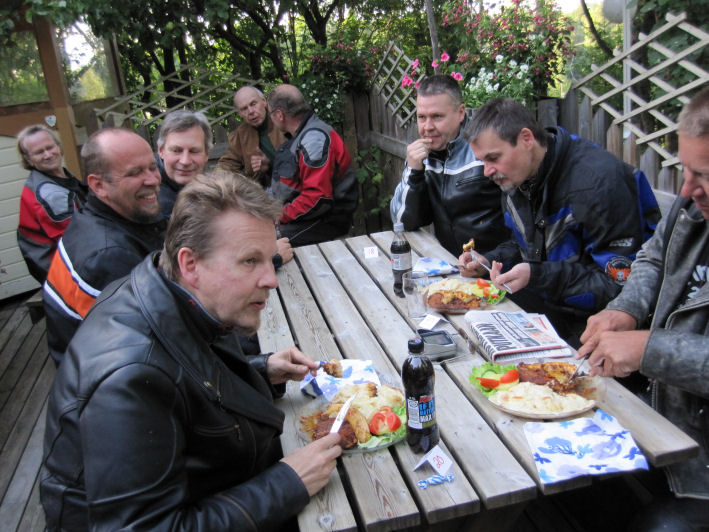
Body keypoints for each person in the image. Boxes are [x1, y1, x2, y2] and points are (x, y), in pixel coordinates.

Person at [40, 170, 342, 531]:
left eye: (268, 258)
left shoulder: (174, 290)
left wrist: (259, 370)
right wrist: (286, 484)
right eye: (250, 261)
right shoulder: (129, 379)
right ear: (190, 264)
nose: (271, 279)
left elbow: (186, 370)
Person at [577, 86, 709, 531]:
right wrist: (626, 310)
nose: (686, 190)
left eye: (703, 175)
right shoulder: (691, 208)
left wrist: (648, 349)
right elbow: (654, 257)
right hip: (666, 418)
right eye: (685, 170)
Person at [459, 98, 660, 345]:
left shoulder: (600, 182)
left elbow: (620, 284)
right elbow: (525, 245)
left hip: (603, 330)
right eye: (482, 161)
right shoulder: (517, 175)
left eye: (493, 158)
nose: (487, 171)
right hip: (549, 315)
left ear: (526, 139)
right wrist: (489, 260)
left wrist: (537, 275)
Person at [42, 128, 167, 365]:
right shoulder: (110, 256)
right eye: (134, 173)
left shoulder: (93, 217)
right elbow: (157, 341)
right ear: (98, 185)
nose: (153, 179)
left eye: (153, 167)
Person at [389, 75, 508, 256]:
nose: (427, 126)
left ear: (461, 113)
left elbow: (521, 224)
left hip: (495, 267)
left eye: (437, 116)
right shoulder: (420, 157)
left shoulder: (486, 150)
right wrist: (414, 172)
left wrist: (490, 260)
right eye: (421, 117)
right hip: (449, 264)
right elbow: (402, 222)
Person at [268, 84, 359, 246]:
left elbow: (318, 199)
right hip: (310, 216)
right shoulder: (303, 134)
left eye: (271, 114)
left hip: (328, 220)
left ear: (279, 115)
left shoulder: (314, 139)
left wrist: (281, 214)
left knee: (267, 244)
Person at [15, 125, 88, 283]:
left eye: (50, 147)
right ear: (28, 159)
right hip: (65, 275)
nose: (48, 155)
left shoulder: (58, 178)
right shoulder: (50, 193)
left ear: (59, 147)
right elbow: (77, 241)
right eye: (39, 152)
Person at [218, 86, 287, 188]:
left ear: (264, 102)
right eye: (244, 109)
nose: (250, 111)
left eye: (253, 104)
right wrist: (215, 178)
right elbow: (227, 164)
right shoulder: (241, 135)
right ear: (239, 113)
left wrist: (270, 165)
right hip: (263, 192)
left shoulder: (283, 121)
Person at [155, 110, 211, 216]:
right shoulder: (153, 202)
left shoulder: (210, 188)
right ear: (161, 151)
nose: (185, 161)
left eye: (194, 151)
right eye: (176, 150)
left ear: (207, 154)